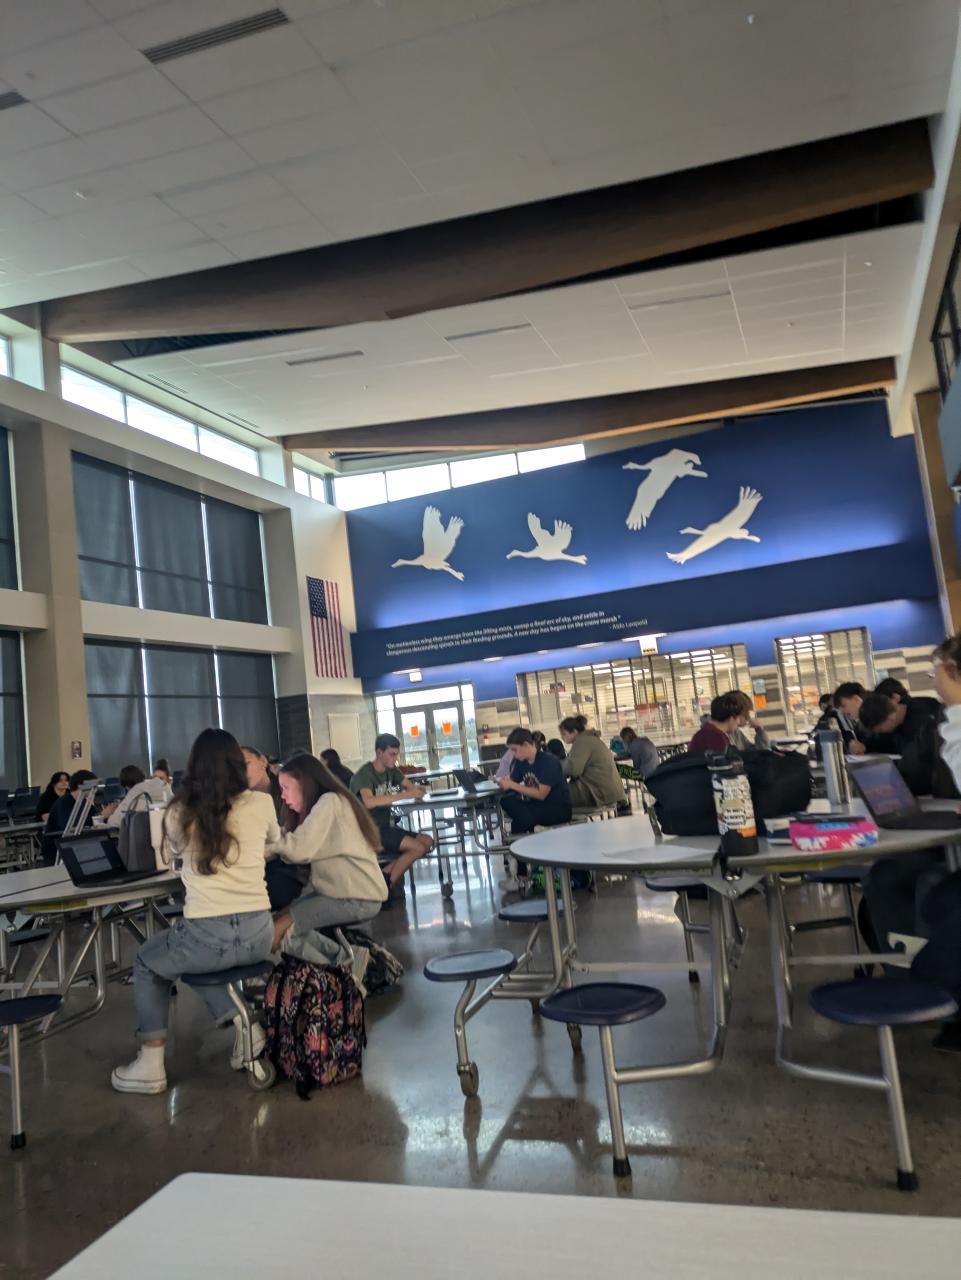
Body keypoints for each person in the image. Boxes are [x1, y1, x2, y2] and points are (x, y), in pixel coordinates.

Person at [111, 729, 278, 1095]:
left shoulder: (179, 812)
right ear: (237, 765)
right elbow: (273, 843)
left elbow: (173, 853)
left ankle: (150, 1064)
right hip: (260, 933)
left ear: (194, 767)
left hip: (207, 934)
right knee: (197, 961)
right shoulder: (262, 803)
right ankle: (244, 1024)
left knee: (150, 962)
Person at [266, 754, 386, 982]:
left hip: (355, 897)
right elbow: (292, 844)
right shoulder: (330, 802)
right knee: (278, 924)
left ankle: (341, 977)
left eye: (286, 788)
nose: (282, 796)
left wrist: (260, 846)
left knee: (278, 932)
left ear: (305, 783)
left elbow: (299, 849)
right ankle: (346, 965)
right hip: (342, 894)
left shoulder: (330, 802)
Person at [350, 733, 433, 890]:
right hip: (370, 830)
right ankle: (386, 887)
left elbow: (410, 787)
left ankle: (383, 877)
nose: (395, 759)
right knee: (418, 848)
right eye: (392, 754)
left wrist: (417, 790)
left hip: (386, 827)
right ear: (379, 753)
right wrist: (405, 795)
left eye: (397, 754)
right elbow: (369, 801)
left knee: (427, 842)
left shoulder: (391, 770)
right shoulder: (364, 775)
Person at [243, 743, 308, 911]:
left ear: (263, 761)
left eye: (246, 763)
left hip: (290, 867)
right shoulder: (240, 801)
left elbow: (291, 838)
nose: (241, 771)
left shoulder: (287, 791)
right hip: (259, 864)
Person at [858, 691, 955, 797]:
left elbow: (918, 759)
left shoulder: (926, 714)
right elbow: (880, 742)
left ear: (890, 718)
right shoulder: (894, 724)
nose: (882, 733)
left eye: (881, 729)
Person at [497, 727, 571, 834]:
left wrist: (511, 785)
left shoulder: (548, 761)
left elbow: (541, 794)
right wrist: (503, 782)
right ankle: (525, 833)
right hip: (536, 805)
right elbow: (513, 780)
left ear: (526, 745)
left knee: (521, 820)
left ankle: (520, 839)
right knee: (506, 801)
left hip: (557, 809)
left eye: (514, 749)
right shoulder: (521, 762)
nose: (513, 754)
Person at [558, 715, 626, 808]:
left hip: (599, 792)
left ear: (574, 731)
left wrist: (555, 767)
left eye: (564, 734)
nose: (562, 737)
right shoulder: (590, 739)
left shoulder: (582, 742)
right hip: (609, 790)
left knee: (556, 795)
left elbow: (573, 769)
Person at [42, 769, 97, 864]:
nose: (95, 789)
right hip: (57, 847)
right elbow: (68, 826)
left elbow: (94, 818)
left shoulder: (84, 801)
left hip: (77, 844)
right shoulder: (64, 802)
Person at [103, 765, 171, 829]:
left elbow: (114, 823)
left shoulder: (136, 791)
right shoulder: (164, 788)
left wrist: (106, 816)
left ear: (127, 787)